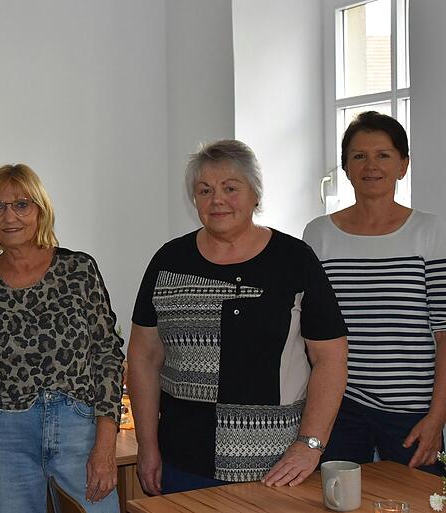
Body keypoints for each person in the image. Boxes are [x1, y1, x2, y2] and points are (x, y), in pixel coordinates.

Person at [128, 140, 348, 495]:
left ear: (255, 195)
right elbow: (143, 357)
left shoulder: (294, 259)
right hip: (184, 462)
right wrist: (147, 446)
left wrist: (309, 446)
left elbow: (331, 358)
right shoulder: (169, 261)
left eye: (231, 188)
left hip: (277, 467)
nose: (217, 200)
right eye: (204, 190)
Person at [0, 164, 124, 513]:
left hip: (78, 429)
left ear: (40, 210)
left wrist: (105, 447)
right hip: (1, 438)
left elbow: (107, 356)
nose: (9, 216)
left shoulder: (79, 270)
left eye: (22, 204)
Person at [303, 111, 446, 474]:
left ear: (403, 164)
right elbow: (310, 331)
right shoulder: (319, 234)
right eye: (359, 156)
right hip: (339, 408)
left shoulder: (431, 232)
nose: (371, 166)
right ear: (346, 167)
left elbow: (445, 335)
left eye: (383, 155)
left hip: (412, 413)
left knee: (418, 502)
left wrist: (436, 418)